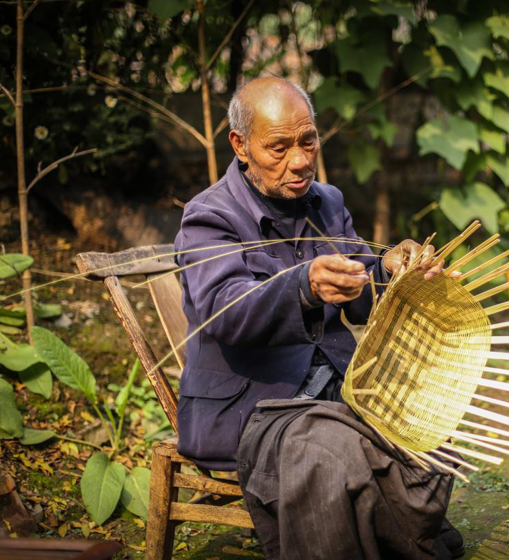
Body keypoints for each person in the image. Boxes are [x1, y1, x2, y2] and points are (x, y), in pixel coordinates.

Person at [173, 77, 463, 559]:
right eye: (279, 147)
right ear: (240, 145)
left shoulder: (327, 202)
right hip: (255, 408)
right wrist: (304, 286)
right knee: (329, 451)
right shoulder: (210, 217)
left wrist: (392, 272)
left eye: (308, 141)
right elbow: (226, 311)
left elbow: (361, 293)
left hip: (340, 391)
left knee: (430, 413)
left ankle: (394, 537)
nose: (301, 160)